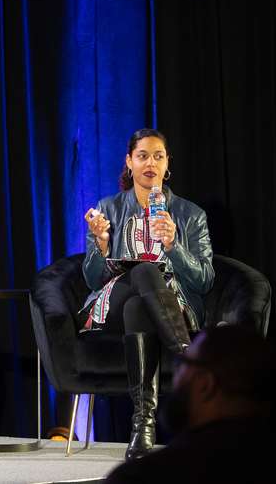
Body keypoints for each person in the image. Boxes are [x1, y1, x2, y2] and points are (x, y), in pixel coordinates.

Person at [80, 128, 214, 459]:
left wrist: (173, 246)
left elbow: (204, 281)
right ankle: (188, 355)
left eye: (158, 156)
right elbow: (92, 279)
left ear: (167, 164)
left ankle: (143, 426)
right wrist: (101, 244)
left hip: (167, 304)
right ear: (129, 163)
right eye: (142, 156)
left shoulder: (190, 215)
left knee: (138, 307)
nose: (150, 163)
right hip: (112, 302)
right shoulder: (107, 209)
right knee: (141, 272)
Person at [105, 325, 276, 483]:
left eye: (181, 364)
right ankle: (143, 418)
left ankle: (143, 419)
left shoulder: (138, 477)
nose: (175, 377)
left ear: (205, 384)